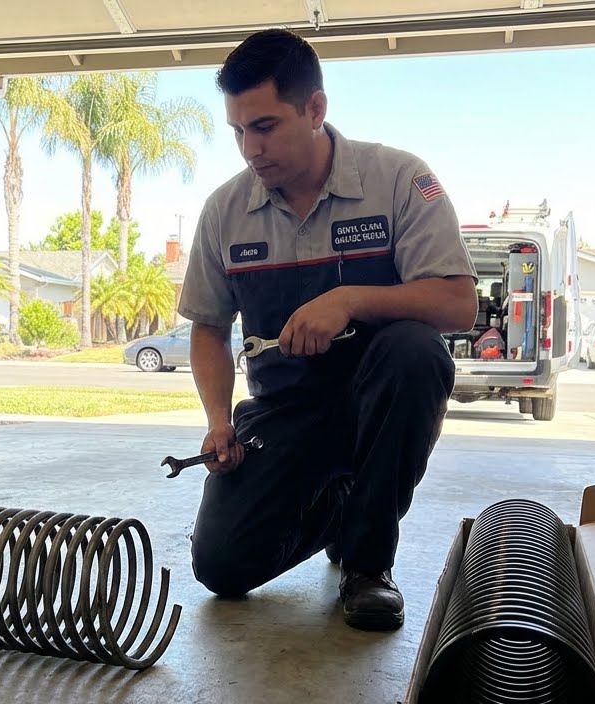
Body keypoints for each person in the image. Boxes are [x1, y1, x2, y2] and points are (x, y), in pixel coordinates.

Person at [176, 28, 478, 631]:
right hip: (284, 410)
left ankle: (367, 564)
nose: (250, 149)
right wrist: (217, 421)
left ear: (315, 109)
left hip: (378, 406)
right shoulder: (225, 211)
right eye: (237, 131)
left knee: (417, 352)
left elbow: (457, 304)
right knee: (223, 567)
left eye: (265, 126)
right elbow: (209, 327)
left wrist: (350, 299)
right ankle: (344, 502)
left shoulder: (397, 181)